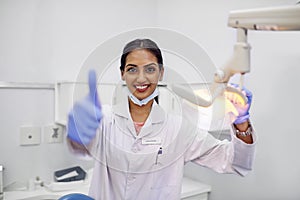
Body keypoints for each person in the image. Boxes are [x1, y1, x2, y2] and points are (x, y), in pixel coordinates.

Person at [67, 39, 256, 200]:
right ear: (122, 74)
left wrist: (240, 123)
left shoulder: (178, 128)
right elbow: (81, 148)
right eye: (132, 69)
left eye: (150, 69)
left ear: (161, 72)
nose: (141, 78)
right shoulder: (104, 120)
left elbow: (234, 162)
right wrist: (76, 133)